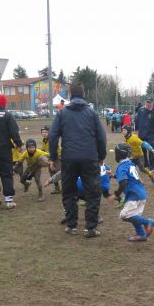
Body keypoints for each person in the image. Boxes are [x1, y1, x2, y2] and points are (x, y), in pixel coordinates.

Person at [49, 82, 107, 238]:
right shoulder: (92, 113)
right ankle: (90, 228)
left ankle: (71, 225)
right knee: (93, 193)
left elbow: (53, 136)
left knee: (69, 192)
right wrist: (101, 156)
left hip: (69, 158)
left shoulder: (62, 113)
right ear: (83, 94)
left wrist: (53, 157)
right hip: (89, 158)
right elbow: (101, 137)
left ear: (69, 95)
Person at [113, 143, 154, 242]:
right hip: (141, 194)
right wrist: (113, 176)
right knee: (134, 216)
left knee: (125, 215)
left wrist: (117, 194)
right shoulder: (130, 163)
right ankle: (141, 235)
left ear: (118, 155)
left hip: (134, 195)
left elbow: (123, 182)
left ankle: (148, 222)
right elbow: (129, 175)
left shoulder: (121, 167)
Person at [135, 98, 154, 171]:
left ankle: (152, 167)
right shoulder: (141, 110)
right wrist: (135, 130)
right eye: (147, 102)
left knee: (151, 149)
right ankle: (146, 164)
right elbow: (137, 120)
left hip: (152, 134)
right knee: (142, 149)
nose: (148, 104)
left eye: (150, 102)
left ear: (152, 103)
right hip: (141, 133)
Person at [40, 125, 61, 194]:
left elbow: (55, 151)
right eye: (43, 132)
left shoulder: (51, 139)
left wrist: (52, 162)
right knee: (52, 173)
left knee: (60, 173)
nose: (44, 133)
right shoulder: (44, 140)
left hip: (57, 157)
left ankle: (68, 189)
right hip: (50, 158)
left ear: (49, 132)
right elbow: (43, 150)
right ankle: (57, 189)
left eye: (46, 132)